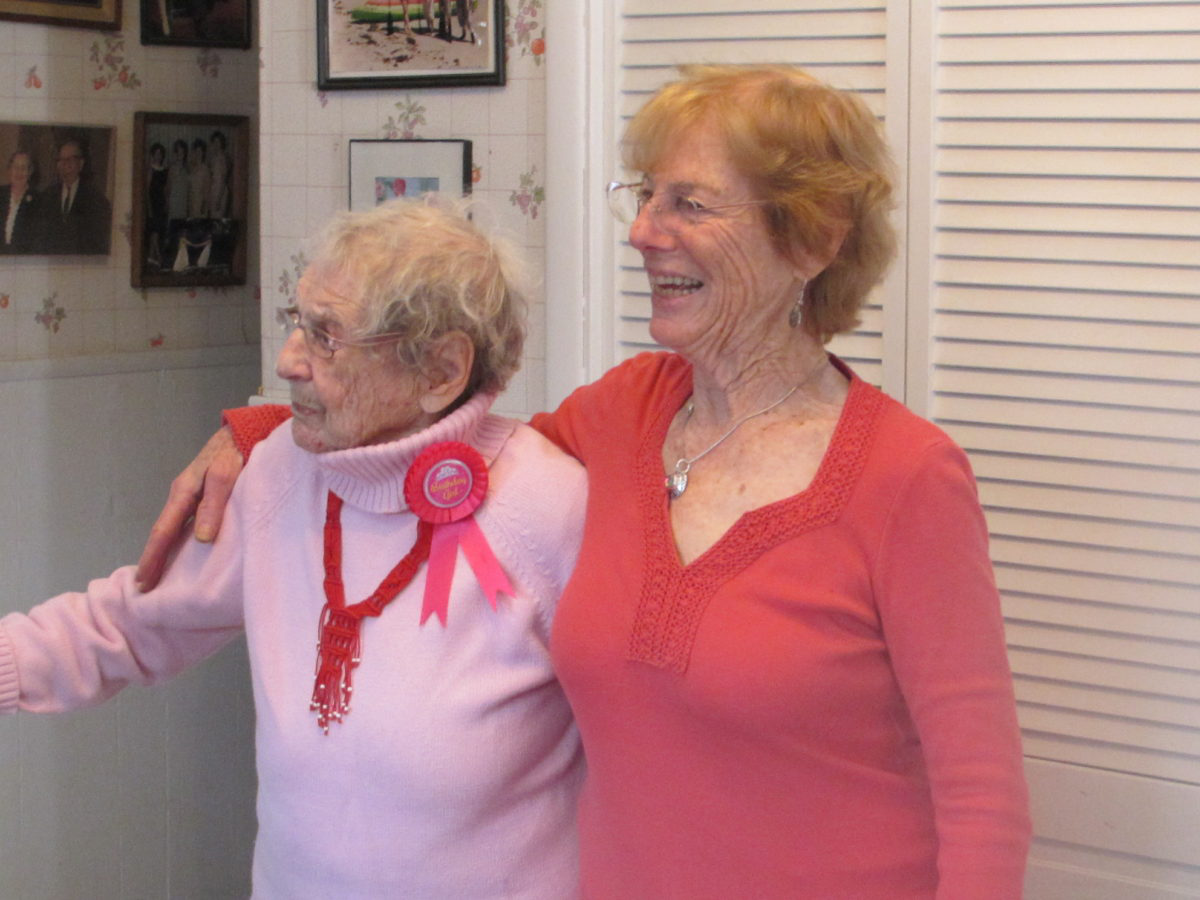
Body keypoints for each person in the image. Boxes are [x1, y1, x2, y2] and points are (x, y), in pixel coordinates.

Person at [137, 65, 1032, 898]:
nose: (644, 230)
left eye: (689, 202)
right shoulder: (622, 414)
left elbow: (983, 796)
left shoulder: (907, 476)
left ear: (814, 238)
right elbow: (441, 454)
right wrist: (260, 429)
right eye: (644, 197)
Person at [2, 197, 587, 898]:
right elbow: (130, 624)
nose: (287, 361)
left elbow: (642, 744)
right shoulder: (279, 469)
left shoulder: (548, 506)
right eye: (297, 322)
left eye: (326, 337)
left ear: (439, 372)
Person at [36, 138, 112, 254]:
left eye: (70, 159)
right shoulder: (47, 196)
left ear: (81, 164)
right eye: (61, 159)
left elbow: (98, 242)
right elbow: (41, 237)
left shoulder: (95, 199)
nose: (65, 163)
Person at [0, 149, 40, 254]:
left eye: (23, 168)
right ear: (9, 170)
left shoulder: (38, 200)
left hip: (24, 262)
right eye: (15, 167)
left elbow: (38, 240)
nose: (19, 172)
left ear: (30, 172)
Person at [145, 142, 169, 266]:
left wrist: (166, 203)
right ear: (153, 155)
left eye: (161, 154)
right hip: (152, 203)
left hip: (161, 203)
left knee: (158, 230)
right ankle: (157, 256)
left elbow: (165, 189)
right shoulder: (150, 169)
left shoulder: (165, 170)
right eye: (157, 153)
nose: (159, 156)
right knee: (154, 230)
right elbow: (147, 190)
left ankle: (151, 256)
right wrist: (148, 207)